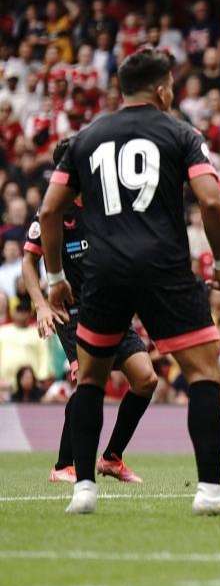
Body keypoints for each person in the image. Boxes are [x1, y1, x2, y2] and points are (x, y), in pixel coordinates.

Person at [40, 48, 220, 516]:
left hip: (104, 271)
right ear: (162, 89)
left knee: (92, 381)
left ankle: (82, 490)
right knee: (203, 373)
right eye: (172, 86)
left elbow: (48, 210)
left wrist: (56, 276)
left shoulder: (85, 138)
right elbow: (213, 204)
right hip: (165, 268)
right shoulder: (181, 133)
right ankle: (211, 492)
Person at [23, 136, 159, 484]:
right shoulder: (52, 211)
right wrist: (40, 305)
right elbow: (29, 260)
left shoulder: (103, 203)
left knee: (145, 379)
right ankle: (62, 465)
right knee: (89, 384)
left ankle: (112, 458)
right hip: (72, 313)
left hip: (109, 307)